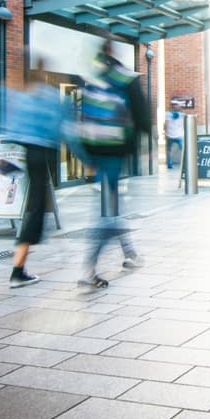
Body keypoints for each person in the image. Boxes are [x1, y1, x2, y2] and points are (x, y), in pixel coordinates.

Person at [78, 40, 150, 288]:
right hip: (115, 153)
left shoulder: (94, 79)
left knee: (112, 204)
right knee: (108, 211)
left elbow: (83, 117)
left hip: (97, 153)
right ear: (115, 53)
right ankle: (89, 269)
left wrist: (87, 156)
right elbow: (142, 116)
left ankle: (130, 254)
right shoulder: (126, 78)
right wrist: (143, 146)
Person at [1, 61, 63, 288]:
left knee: (34, 209)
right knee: (35, 210)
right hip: (38, 155)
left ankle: (19, 267)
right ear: (42, 72)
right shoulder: (47, 95)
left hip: (21, 154)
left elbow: (5, 124)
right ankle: (17, 270)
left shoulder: (18, 94)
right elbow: (60, 127)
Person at [164, 104, 184, 169]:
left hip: (173, 135)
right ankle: (185, 162)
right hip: (175, 135)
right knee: (183, 149)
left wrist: (165, 133)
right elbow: (166, 124)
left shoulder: (167, 114)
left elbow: (165, 124)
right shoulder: (181, 115)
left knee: (169, 150)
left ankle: (170, 164)